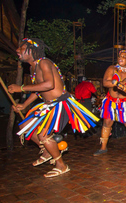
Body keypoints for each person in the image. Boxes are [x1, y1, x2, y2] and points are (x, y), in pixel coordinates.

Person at [8, 38, 100, 178]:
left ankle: (61, 165)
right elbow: (38, 90)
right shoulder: (33, 67)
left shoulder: (44, 63)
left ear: (32, 49)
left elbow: (49, 85)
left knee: (43, 134)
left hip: (60, 104)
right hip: (47, 105)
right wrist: (24, 105)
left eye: (21, 48)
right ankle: (46, 150)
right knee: (25, 126)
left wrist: (21, 88)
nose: (17, 50)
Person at [94, 50, 126, 156]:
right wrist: (118, 83)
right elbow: (105, 82)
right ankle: (103, 147)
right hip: (111, 102)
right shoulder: (112, 69)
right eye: (120, 56)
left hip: (125, 103)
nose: (121, 58)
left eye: (124, 57)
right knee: (106, 123)